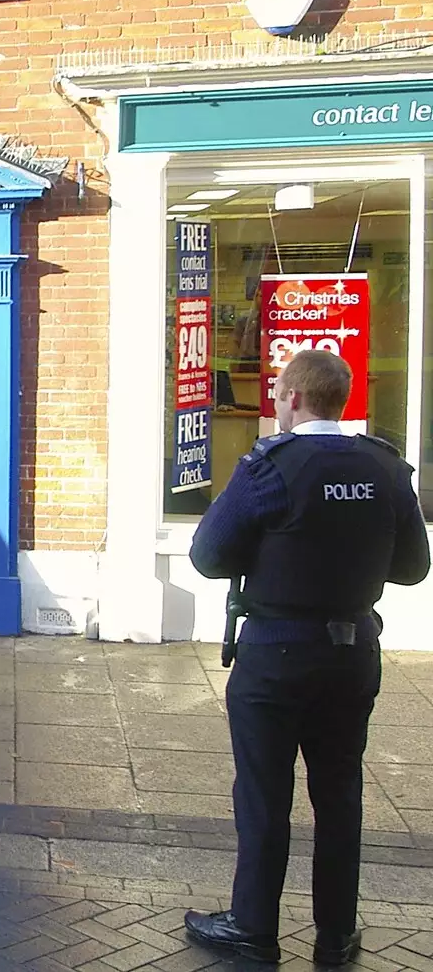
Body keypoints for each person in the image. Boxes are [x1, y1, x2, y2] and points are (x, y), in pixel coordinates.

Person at [184, 349, 429, 966]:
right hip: (352, 657)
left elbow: (208, 556)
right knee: (340, 791)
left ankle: (254, 927)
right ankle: (336, 933)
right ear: (339, 400)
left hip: (274, 655)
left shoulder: (272, 466)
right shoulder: (385, 467)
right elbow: (414, 568)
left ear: (290, 397)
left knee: (265, 794)